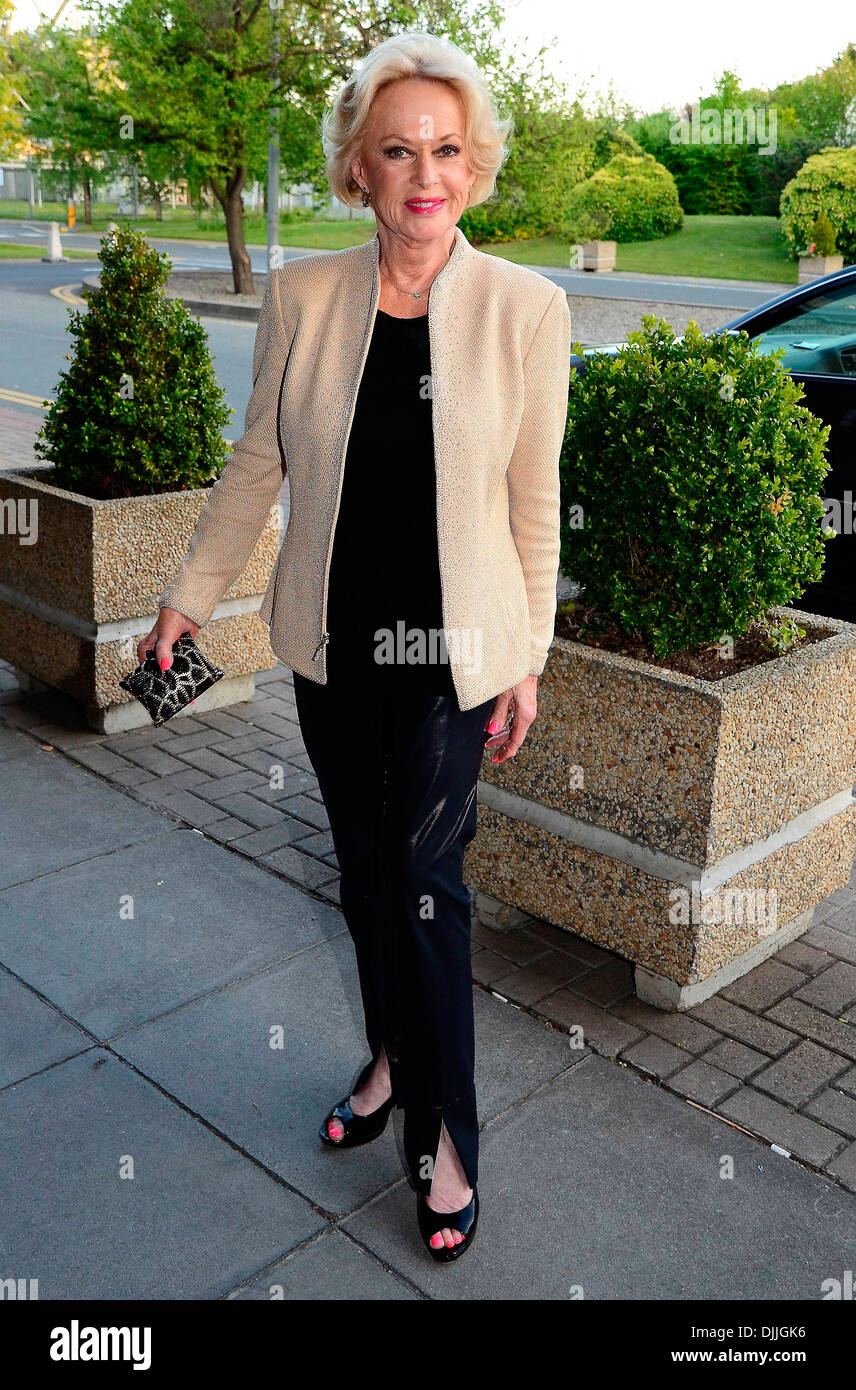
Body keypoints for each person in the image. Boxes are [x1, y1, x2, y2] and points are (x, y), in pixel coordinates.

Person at [140, 29, 571, 1264]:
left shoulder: (524, 310)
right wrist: (187, 597)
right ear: (359, 172)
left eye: (445, 150)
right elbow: (257, 464)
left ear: (474, 170)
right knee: (364, 877)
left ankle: (445, 1138)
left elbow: (533, 501)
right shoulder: (305, 297)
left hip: (455, 657)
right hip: (333, 649)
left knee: (428, 888)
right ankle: (388, 1057)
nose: (423, 174)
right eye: (397, 152)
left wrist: (526, 654)